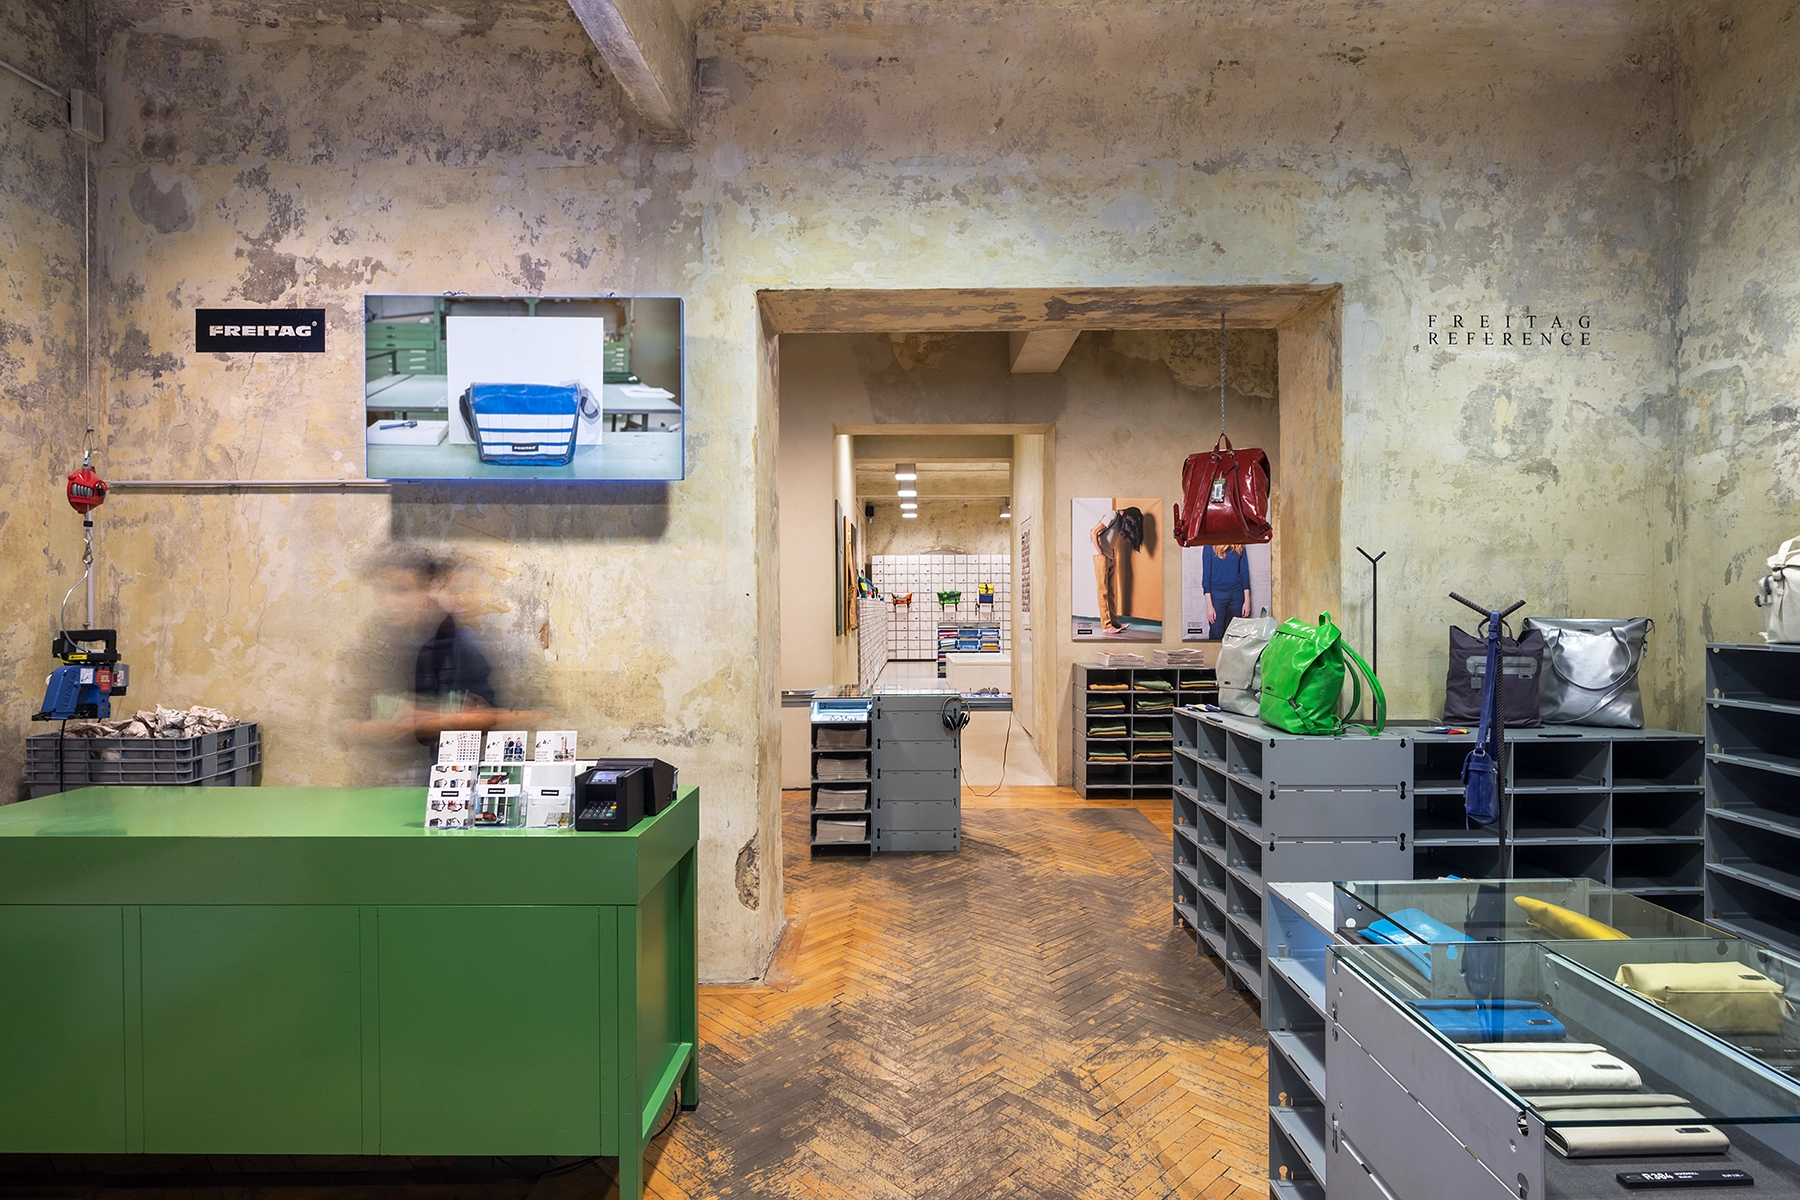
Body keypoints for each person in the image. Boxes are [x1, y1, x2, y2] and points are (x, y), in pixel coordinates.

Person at [1089, 506, 1145, 635]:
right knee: (1103, 591)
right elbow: (1093, 532)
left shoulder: (1120, 520)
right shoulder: (1112, 515)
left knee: (1111, 592)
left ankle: (1114, 622)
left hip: (1110, 556)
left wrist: (1111, 555)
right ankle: (1106, 625)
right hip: (1101, 556)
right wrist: (1100, 553)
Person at [1202, 543, 1251, 640]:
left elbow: (1245, 574)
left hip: (1237, 595)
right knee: (1216, 635)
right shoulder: (1209, 546)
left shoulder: (1239, 545)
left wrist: (1247, 600)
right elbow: (1206, 577)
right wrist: (1209, 606)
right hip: (1217, 596)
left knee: (1237, 636)